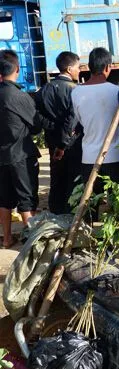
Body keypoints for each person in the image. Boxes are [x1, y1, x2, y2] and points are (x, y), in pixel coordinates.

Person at [71, 47, 119, 222]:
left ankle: (88, 237)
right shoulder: (116, 91)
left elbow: (79, 119)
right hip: (114, 155)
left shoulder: (76, 92)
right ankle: (115, 238)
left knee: (89, 202)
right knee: (117, 202)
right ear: (108, 67)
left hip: (89, 156)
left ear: (88, 67)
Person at [0, 50, 46, 248]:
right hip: (21, 156)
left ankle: (7, 239)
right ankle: (33, 245)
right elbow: (36, 126)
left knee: (4, 200)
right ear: (17, 69)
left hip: (1, 157)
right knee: (26, 200)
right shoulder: (19, 96)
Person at [35, 51, 82, 215]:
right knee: (73, 179)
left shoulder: (43, 90)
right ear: (69, 69)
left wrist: (52, 126)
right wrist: (64, 142)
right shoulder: (74, 90)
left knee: (56, 180)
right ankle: (71, 215)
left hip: (53, 142)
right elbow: (72, 119)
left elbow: (38, 116)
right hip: (71, 143)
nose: (79, 71)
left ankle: (55, 213)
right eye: (77, 67)